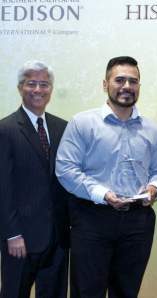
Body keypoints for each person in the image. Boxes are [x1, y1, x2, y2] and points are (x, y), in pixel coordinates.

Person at [55, 56, 157, 298]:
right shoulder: (82, 123)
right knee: (87, 292)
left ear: (139, 86)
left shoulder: (152, 130)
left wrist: (154, 189)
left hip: (138, 223)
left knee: (127, 292)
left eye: (133, 81)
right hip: (91, 219)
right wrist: (103, 194)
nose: (127, 86)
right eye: (120, 80)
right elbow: (66, 169)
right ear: (105, 84)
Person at [0, 61, 70, 298]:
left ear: (51, 89)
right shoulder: (5, 129)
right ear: (21, 88)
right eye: (32, 84)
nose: (38, 90)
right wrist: (12, 234)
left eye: (44, 84)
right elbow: (3, 187)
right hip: (20, 239)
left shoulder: (63, 127)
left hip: (58, 238)